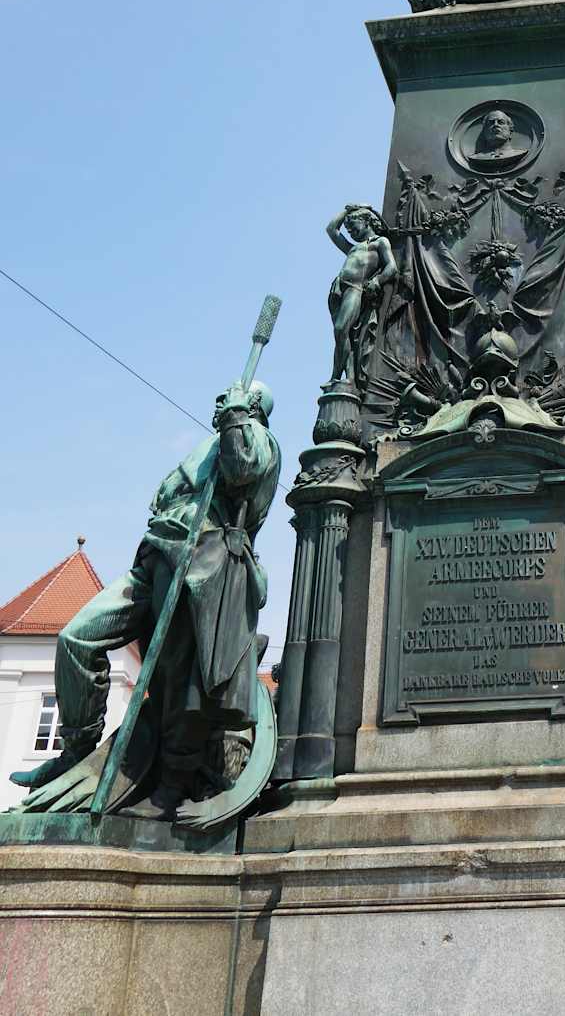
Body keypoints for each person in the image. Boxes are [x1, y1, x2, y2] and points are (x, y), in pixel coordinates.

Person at [12, 381, 281, 819]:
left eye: (232, 394)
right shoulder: (209, 444)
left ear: (252, 405)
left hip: (199, 566)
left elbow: (242, 469)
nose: (221, 397)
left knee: (178, 679)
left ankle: (170, 788)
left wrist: (236, 417)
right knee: (76, 638)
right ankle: (76, 751)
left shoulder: (259, 438)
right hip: (156, 556)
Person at [326, 204, 397, 388]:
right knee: (343, 336)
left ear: (366, 221)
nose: (350, 232)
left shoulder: (379, 242)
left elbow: (392, 267)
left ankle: (338, 376)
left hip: (355, 289)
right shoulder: (352, 248)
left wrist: (378, 280)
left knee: (341, 329)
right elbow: (331, 229)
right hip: (338, 290)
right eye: (348, 229)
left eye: (353, 226)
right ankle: (346, 377)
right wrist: (349, 210)